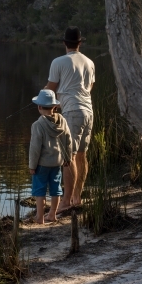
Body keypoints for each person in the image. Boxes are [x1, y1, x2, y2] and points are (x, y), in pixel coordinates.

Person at [44, 26, 95, 213]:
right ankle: (77, 198)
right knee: (81, 155)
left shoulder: (58, 62)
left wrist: (42, 102)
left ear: (64, 43)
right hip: (88, 112)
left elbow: (50, 88)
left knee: (68, 157)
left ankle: (65, 202)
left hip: (72, 112)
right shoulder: (90, 62)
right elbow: (89, 88)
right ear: (80, 43)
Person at [29, 89, 72, 224]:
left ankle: (40, 217)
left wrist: (32, 165)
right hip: (57, 162)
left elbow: (35, 148)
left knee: (39, 190)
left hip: (42, 164)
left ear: (39, 107)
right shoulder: (62, 121)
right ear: (55, 106)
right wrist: (67, 157)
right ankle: (52, 214)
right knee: (56, 189)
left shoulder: (37, 125)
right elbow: (68, 140)